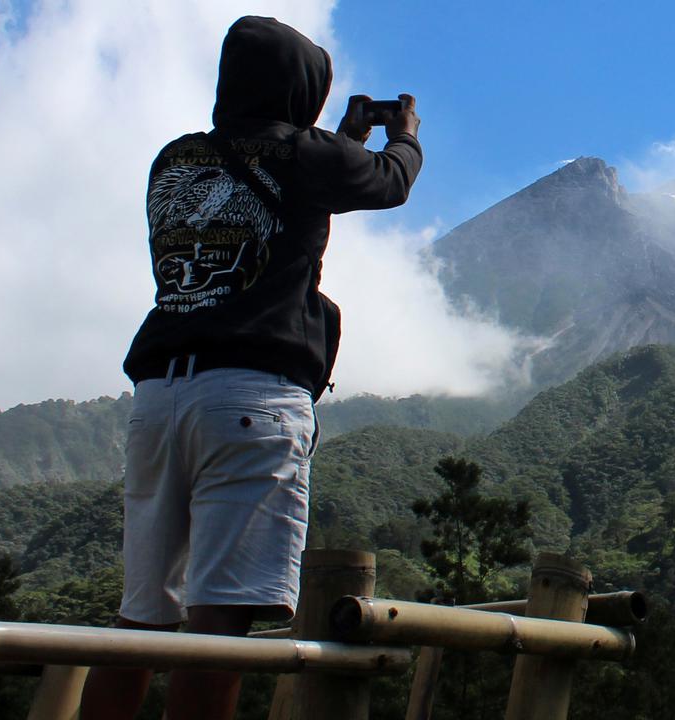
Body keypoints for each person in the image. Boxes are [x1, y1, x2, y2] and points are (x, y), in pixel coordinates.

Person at [79, 15, 421, 720]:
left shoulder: (176, 160)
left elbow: (276, 181)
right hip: (249, 400)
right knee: (220, 620)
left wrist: (340, 137)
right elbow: (389, 183)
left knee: (141, 616)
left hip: (157, 401)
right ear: (303, 89)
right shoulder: (307, 154)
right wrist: (403, 133)